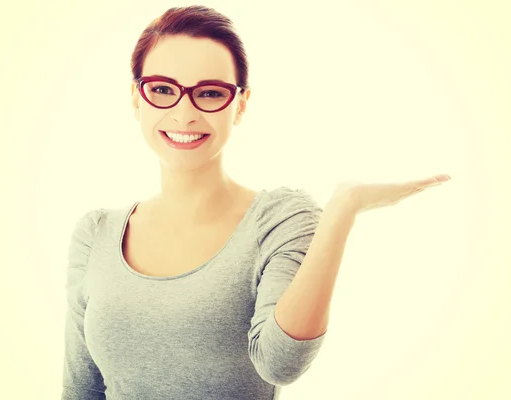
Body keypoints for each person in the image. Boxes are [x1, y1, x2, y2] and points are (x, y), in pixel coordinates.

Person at [61, 5, 329, 399]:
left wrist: (341, 213)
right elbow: (80, 389)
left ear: (240, 104)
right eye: (163, 90)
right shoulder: (95, 233)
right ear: (137, 98)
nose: (184, 114)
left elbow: (280, 364)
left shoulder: (281, 220)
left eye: (209, 93)